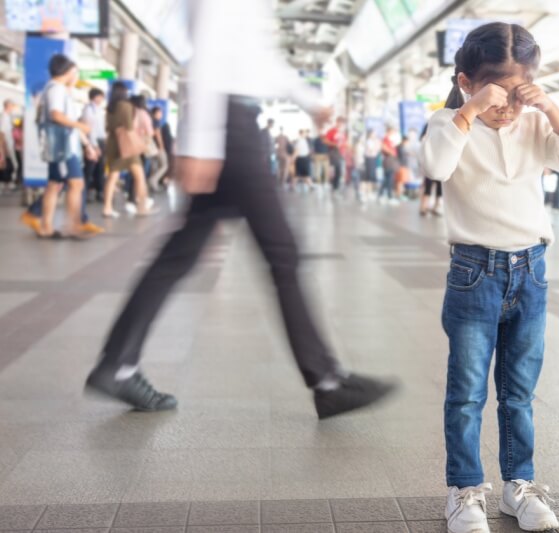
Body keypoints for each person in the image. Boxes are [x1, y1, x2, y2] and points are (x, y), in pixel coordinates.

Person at [84, 0, 396, 417]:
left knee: (180, 254)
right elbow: (210, 54)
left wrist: (308, 100)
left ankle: (117, 363)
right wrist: (202, 143)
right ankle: (326, 380)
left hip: (234, 124)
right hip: (232, 129)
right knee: (281, 254)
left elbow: (256, 57)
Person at [421, 22, 559, 533]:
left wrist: (551, 110)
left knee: (518, 391)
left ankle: (519, 486)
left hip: (531, 272)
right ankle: (465, 491)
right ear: (467, 80)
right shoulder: (448, 122)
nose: (509, 106)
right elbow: (435, 166)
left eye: (519, 93)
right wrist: (471, 110)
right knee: (468, 391)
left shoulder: (535, 125)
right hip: (474, 273)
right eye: (498, 92)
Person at [29, 55, 96, 239]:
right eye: (74, 72)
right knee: (76, 183)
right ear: (66, 71)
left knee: (54, 184)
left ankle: (46, 227)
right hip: (62, 147)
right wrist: (80, 126)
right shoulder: (57, 89)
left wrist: (86, 143)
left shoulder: (57, 89)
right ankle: (73, 226)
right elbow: (57, 115)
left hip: (61, 145)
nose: (76, 76)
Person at [101, 83, 154, 218]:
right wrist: (139, 144)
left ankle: (107, 207)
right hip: (126, 144)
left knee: (112, 176)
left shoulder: (109, 108)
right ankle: (142, 207)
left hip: (113, 143)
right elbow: (129, 128)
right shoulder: (125, 106)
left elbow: (108, 127)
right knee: (140, 177)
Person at [82, 88, 107, 203]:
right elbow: (90, 128)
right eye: (101, 96)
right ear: (95, 96)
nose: (102, 99)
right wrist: (94, 145)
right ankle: (85, 193)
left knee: (100, 168)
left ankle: (99, 191)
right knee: (90, 168)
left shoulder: (98, 109)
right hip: (93, 142)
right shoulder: (88, 109)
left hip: (101, 141)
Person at [148, 106, 170, 190]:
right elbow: (157, 134)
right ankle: (153, 180)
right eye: (159, 112)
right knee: (165, 165)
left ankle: (152, 185)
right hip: (157, 147)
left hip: (151, 148)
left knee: (154, 166)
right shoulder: (156, 122)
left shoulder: (150, 121)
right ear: (155, 113)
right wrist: (161, 145)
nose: (161, 114)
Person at [324, 117, 347, 192]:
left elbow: (344, 143)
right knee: (334, 169)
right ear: (336, 122)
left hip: (341, 153)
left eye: (342, 123)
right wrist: (334, 144)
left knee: (339, 170)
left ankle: (336, 185)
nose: (341, 124)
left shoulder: (343, 132)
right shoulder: (331, 131)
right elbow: (325, 141)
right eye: (339, 122)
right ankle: (333, 185)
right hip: (333, 152)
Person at [1, 99, 18, 192]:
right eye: (12, 106)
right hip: (7, 146)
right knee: (12, 164)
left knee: (10, 164)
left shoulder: (7, 116)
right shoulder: (4, 117)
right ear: (8, 106)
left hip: (9, 145)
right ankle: (8, 182)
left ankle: (7, 182)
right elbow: (2, 133)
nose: (13, 108)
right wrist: (4, 147)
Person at [378, 126, 399, 203]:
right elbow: (383, 147)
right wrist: (391, 152)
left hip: (391, 161)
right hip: (388, 160)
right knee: (389, 179)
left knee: (387, 179)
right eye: (392, 131)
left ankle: (381, 195)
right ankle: (389, 196)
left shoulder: (390, 140)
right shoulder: (385, 139)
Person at [364, 129, 380, 200]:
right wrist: (376, 146)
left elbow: (377, 149)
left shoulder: (375, 141)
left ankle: (372, 192)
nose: (375, 135)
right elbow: (372, 150)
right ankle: (368, 192)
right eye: (373, 134)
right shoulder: (368, 141)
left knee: (373, 175)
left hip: (373, 158)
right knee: (369, 175)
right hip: (369, 159)